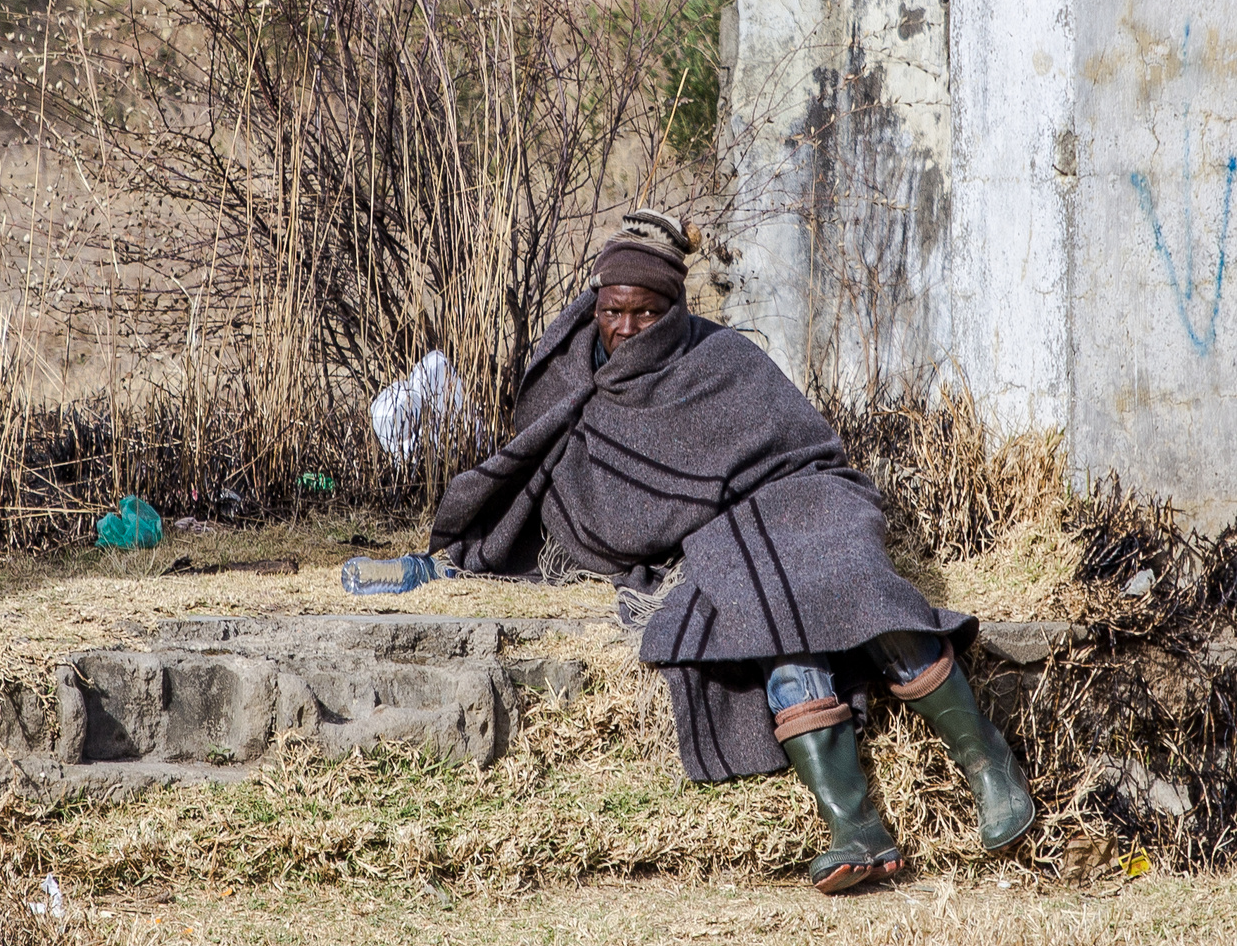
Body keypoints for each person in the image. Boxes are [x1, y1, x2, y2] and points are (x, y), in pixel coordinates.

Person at [343, 208, 1034, 893]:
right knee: (770, 619)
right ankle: (855, 829)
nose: (626, 328)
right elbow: (546, 477)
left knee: (857, 585)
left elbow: (808, 451)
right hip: (717, 534)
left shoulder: (722, 358)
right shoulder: (577, 378)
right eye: (614, 311)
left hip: (798, 497)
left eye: (645, 313)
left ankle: (987, 761)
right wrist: (458, 556)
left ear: (673, 309)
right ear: (596, 306)